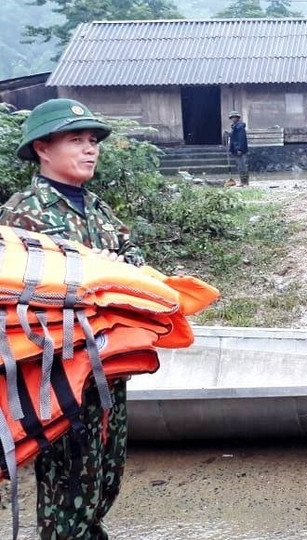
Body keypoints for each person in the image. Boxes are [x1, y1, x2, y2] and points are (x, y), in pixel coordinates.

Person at [0, 98, 145, 539]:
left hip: (109, 371)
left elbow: (135, 260)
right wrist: (89, 269)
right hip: (58, 374)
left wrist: (115, 267)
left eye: (93, 141)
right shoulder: (23, 213)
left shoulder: (98, 209)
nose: (90, 149)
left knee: (103, 483)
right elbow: (18, 285)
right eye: (76, 140)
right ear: (43, 148)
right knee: (69, 493)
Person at [228, 110, 249, 186]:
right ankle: (242, 181)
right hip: (235, 149)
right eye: (232, 117)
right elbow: (234, 138)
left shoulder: (240, 127)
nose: (233, 119)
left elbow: (241, 139)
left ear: (237, 118)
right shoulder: (234, 127)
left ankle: (245, 182)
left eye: (234, 117)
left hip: (240, 150)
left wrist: (239, 149)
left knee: (243, 165)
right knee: (239, 166)